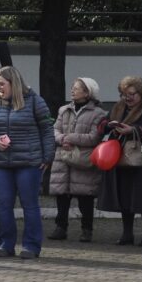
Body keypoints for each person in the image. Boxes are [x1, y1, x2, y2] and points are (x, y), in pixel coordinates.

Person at [0, 66, 55, 259]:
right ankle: (5, 245)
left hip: (28, 162)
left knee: (29, 205)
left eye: (2, 84)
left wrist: (47, 156)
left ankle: (31, 246)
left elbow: (47, 129)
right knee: (4, 205)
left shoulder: (34, 101)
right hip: (2, 164)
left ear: (13, 83)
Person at [97, 76, 142, 246]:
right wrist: (109, 124)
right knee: (124, 196)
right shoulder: (119, 107)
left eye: (131, 94)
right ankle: (127, 233)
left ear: (140, 93)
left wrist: (134, 129)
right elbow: (102, 124)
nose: (127, 98)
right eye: (123, 94)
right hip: (120, 157)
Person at [48, 78, 107, 242]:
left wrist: (70, 138)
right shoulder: (64, 110)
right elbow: (55, 130)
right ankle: (60, 227)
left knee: (85, 198)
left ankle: (87, 229)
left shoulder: (98, 113)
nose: (72, 91)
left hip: (83, 160)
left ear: (87, 92)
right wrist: (62, 140)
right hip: (64, 157)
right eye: (72, 88)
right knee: (62, 195)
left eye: (76, 88)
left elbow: (94, 137)